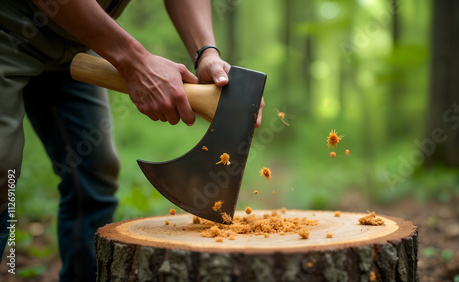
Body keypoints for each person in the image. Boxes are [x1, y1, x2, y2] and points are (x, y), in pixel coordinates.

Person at [0, 0, 264, 280]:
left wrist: (206, 53)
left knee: (95, 171)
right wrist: (134, 60)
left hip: (79, 36)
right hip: (9, 25)